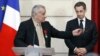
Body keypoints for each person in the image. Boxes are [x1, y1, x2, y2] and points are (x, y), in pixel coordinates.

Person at [14, 5, 82, 48]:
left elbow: (58, 33)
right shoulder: (25, 25)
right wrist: (27, 47)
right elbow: (17, 41)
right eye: (43, 14)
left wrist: (72, 33)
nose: (45, 16)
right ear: (35, 14)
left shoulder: (46, 24)